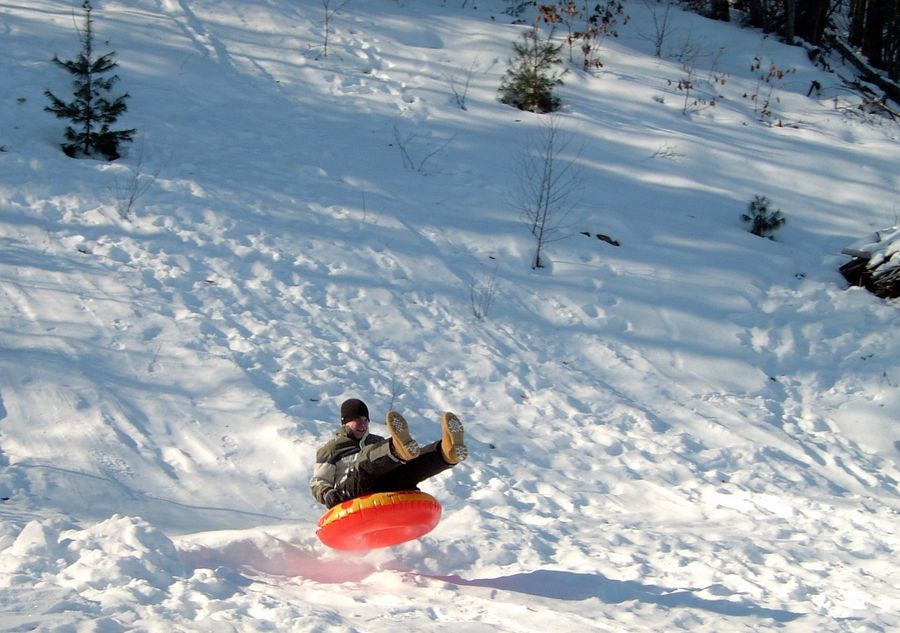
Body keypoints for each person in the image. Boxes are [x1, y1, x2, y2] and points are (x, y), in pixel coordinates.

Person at [310, 398, 468, 509]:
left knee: (407, 468)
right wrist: (327, 494)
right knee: (364, 463)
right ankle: (396, 449)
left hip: (381, 490)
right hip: (349, 495)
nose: (362, 424)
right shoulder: (331, 449)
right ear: (345, 422)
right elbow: (318, 481)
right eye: (357, 419)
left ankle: (446, 452)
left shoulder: (376, 441)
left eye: (365, 420)